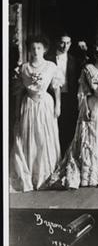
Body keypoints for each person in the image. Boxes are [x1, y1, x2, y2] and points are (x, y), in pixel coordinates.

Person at [48, 41, 98, 188]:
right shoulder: (87, 68)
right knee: (92, 137)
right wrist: (84, 107)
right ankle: (90, 173)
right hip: (93, 104)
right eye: (96, 51)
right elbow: (82, 91)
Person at [10, 36, 63, 192]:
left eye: (39, 48)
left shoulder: (51, 66)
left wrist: (58, 105)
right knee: (29, 136)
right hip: (28, 104)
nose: (35, 51)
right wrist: (17, 110)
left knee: (44, 137)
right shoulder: (23, 68)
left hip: (45, 104)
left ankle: (46, 175)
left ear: (44, 49)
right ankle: (30, 175)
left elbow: (56, 88)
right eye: (33, 48)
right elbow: (18, 92)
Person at [46, 33, 81, 153]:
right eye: (62, 42)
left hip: (69, 97)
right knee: (53, 127)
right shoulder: (48, 59)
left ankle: (66, 154)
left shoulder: (74, 60)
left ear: (70, 44)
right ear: (57, 42)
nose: (65, 46)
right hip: (52, 98)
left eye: (68, 43)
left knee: (68, 126)